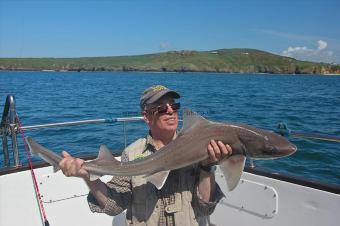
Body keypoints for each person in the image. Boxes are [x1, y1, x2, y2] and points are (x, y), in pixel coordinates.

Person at [59, 85, 232, 226]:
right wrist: (89, 177)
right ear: (146, 116)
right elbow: (114, 206)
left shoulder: (199, 148)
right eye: (162, 108)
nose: (171, 111)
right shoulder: (131, 153)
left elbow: (205, 209)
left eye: (175, 105)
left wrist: (207, 166)